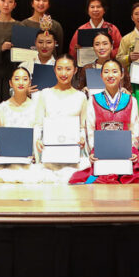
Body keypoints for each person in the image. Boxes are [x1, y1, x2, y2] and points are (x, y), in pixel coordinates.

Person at [0, 67, 56, 183]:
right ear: (10, 83)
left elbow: (40, 134)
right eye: (17, 79)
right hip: (6, 159)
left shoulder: (37, 107)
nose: (21, 82)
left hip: (30, 159)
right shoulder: (2, 107)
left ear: (30, 82)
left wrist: (36, 151)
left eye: (25, 79)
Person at [69, 59, 139, 184]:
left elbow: (134, 130)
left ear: (121, 75)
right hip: (101, 154)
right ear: (101, 75)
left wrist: (132, 150)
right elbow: (90, 129)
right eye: (106, 72)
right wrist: (94, 151)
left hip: (124, 154)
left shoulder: (131, 100)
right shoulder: (93, 100)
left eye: (114, 71)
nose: (110, 75)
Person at [35, 55, 91, 183]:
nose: (63, 73)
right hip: (49, 151)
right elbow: (38, 124)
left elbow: (83, 127)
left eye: (68, 69)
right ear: (54, 70)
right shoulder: (45, 94)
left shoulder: (81, 96)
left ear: (75, 70)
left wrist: (82, 139)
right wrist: (38, 140)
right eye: (59, 69)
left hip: (72, 152)